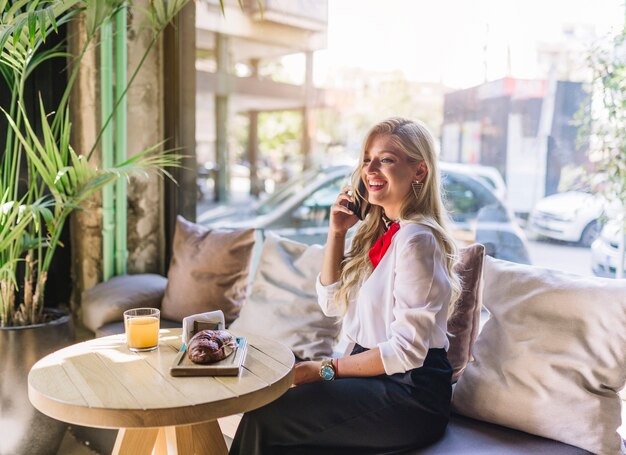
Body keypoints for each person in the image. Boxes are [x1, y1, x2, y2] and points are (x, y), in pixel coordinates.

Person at [230, 117, 461, 455]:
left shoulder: (416, 239)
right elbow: (331, 303)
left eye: (387, 159)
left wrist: (325, 369)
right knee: (277, 427)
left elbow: (407, 352)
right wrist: (336, 232)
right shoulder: (382, 232)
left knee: (266, 416)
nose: (371, 169)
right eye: (367, 159)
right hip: (371, 378)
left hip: (408, 393)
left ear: (419, 171)